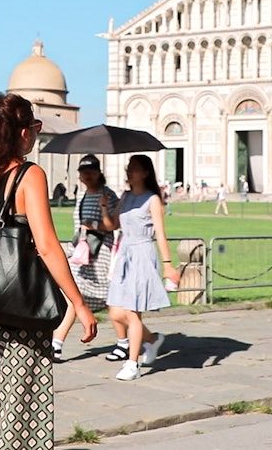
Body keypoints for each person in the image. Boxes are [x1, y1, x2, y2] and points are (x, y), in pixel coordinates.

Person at [0, 93, 97, 448]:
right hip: (21, 308)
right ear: (19, 133)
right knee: (22, 413)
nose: (36, 134)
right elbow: (47, 246)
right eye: (34, 127)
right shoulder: (29, 175)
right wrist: (78, 304)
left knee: (9, 407)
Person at [100, 154, 181, 381]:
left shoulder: (152, 200)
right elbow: (112, 225)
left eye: (134, 168)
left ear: (145, 173)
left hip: (143, 254)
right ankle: (153, 340)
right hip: (124, 253)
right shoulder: (125, 197)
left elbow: (160, 234)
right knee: (116, 312)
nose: (129, 172)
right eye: (129, 168)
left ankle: (132, 363)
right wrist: (106, 208)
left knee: (132, 312)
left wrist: (168, 265)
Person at [51, 154, 119, 363]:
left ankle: (136, 339)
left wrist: (97, 222)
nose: (87, 176)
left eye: (91, 172)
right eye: (83, 173)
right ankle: (56, 344)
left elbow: (113, 225)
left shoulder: (108, 195)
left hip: (100, 255)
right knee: (74, 296)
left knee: (113, 302)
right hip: (81, 253)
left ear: (99, 173)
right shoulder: (81, 195)